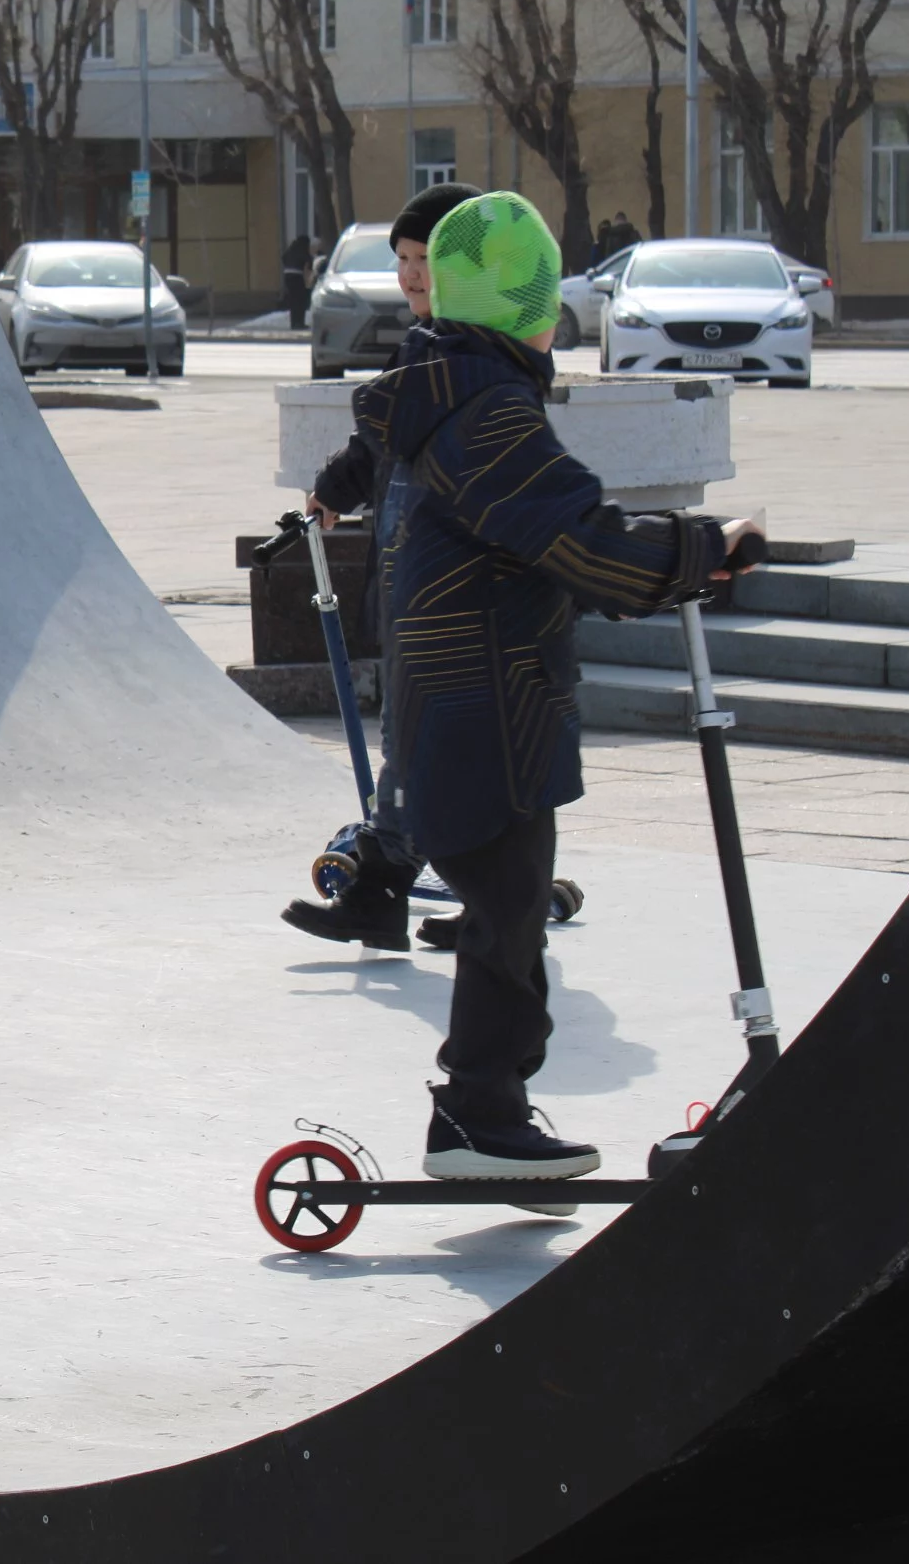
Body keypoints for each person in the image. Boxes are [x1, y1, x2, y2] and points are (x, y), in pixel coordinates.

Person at [301, 191, 760, 1182]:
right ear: (534, 311)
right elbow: (570, 533)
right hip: (486, 705)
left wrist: (659, 560)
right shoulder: (485, 406)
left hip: (469, 691)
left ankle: (487, 1103)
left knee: (505, 916)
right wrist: (693, 551)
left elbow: (534, 544)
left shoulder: (446, 389)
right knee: (505, 917)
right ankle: (477, 1113)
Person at [281, 179, 482, 951]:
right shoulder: (426, 347)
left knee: (439, 754)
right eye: (401, 259)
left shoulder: (472, 352)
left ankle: (468, 901)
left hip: (454, 589)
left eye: (426, 258)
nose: (411, 275)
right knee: (418, 747)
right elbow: (379, 443)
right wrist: (335, 491)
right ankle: (403, 896)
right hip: (413, 578)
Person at [283, 231, 315, 331]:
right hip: (297, 275)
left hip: (287, 275)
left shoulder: (291, 249)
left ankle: (293, 323)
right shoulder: (303, 250)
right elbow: (309, 262)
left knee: (293, 300)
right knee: (300, 300)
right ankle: (300, 322)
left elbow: (283, 257)